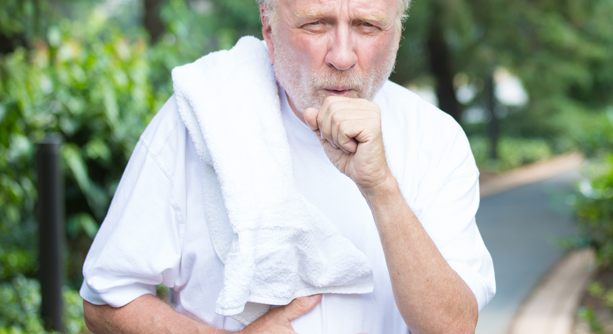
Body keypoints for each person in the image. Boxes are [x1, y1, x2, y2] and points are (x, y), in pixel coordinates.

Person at [79, 0, 495, 333]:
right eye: (316, 24)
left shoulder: (435, 139)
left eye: (369, 26)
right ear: (269, 27)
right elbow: (106, 298)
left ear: (398, 34)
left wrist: (381, 187)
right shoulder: (200, 117)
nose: (343, 56)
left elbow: (453, 328)